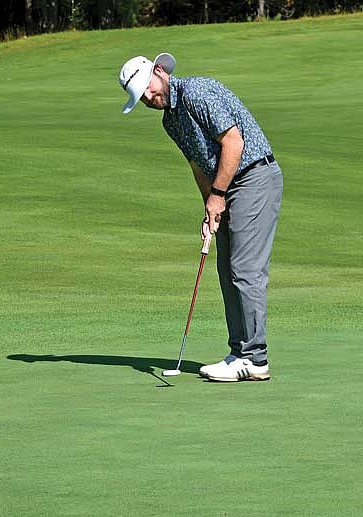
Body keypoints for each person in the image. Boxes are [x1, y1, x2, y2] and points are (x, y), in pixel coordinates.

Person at [119, 53, 283, 382]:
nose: (150, 97)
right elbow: (198, 164)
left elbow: (233, 144)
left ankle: (256, 357)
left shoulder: (197, 92)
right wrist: (209, 208)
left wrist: (218, 196)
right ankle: (239, 352)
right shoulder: (170, 121)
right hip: (225, 186)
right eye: (143, 97)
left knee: (245, 268)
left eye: (148, 88)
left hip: (253, 177)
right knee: (227, 269)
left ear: (160, 71)